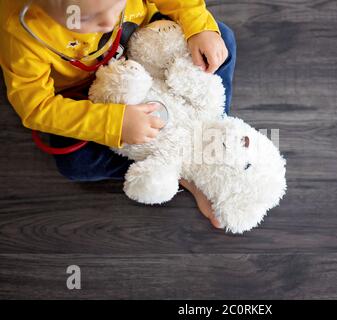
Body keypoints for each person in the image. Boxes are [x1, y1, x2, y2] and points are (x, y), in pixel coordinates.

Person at [0, 0, 237, 229]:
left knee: (220, 38)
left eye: (116, 5)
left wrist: (199, 27)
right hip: (91, 93)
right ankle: (183, 169)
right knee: (75, 163)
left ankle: (211, 132)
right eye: (85, 18)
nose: (109, 22)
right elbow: (35, 107)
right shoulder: (22, 32)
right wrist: (113, 122)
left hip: (148, 46)